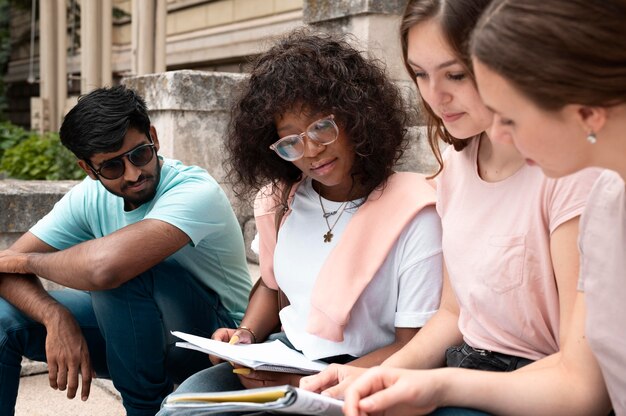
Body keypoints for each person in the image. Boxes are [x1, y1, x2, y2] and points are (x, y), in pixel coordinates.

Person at [301, 0, 601, 411]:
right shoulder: (455, 163)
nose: (436, 95)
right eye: (420, 74)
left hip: (530, 389)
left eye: (455, 74)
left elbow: (580, 381)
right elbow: (451, 315)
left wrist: (440, 386)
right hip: (463, 369)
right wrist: (377, 376)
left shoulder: (572, 175)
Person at [155, 29, 444, 415]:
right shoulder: (281, 200)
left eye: (321, 127)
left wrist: (305, 383)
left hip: (364, 377)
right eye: (289, 142)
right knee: (178, 409)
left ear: (358, 116)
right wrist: (245, 337)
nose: (310, 152)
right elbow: (270, 285)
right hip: (281, 359)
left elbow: (414, 346)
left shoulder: (416, 212)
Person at [0, 85, 252, 416]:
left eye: (139, 154)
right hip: (133, 331)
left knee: (124, 270)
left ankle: (142, 410)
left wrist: (28, 262)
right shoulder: (89, 197)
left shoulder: (194, 191)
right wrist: (53, 315)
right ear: (89, 169)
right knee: (5, 320)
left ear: (153, 137)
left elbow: (105, 269)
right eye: (113, 167)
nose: (133, 173)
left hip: (217, 344)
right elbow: (5, 271)